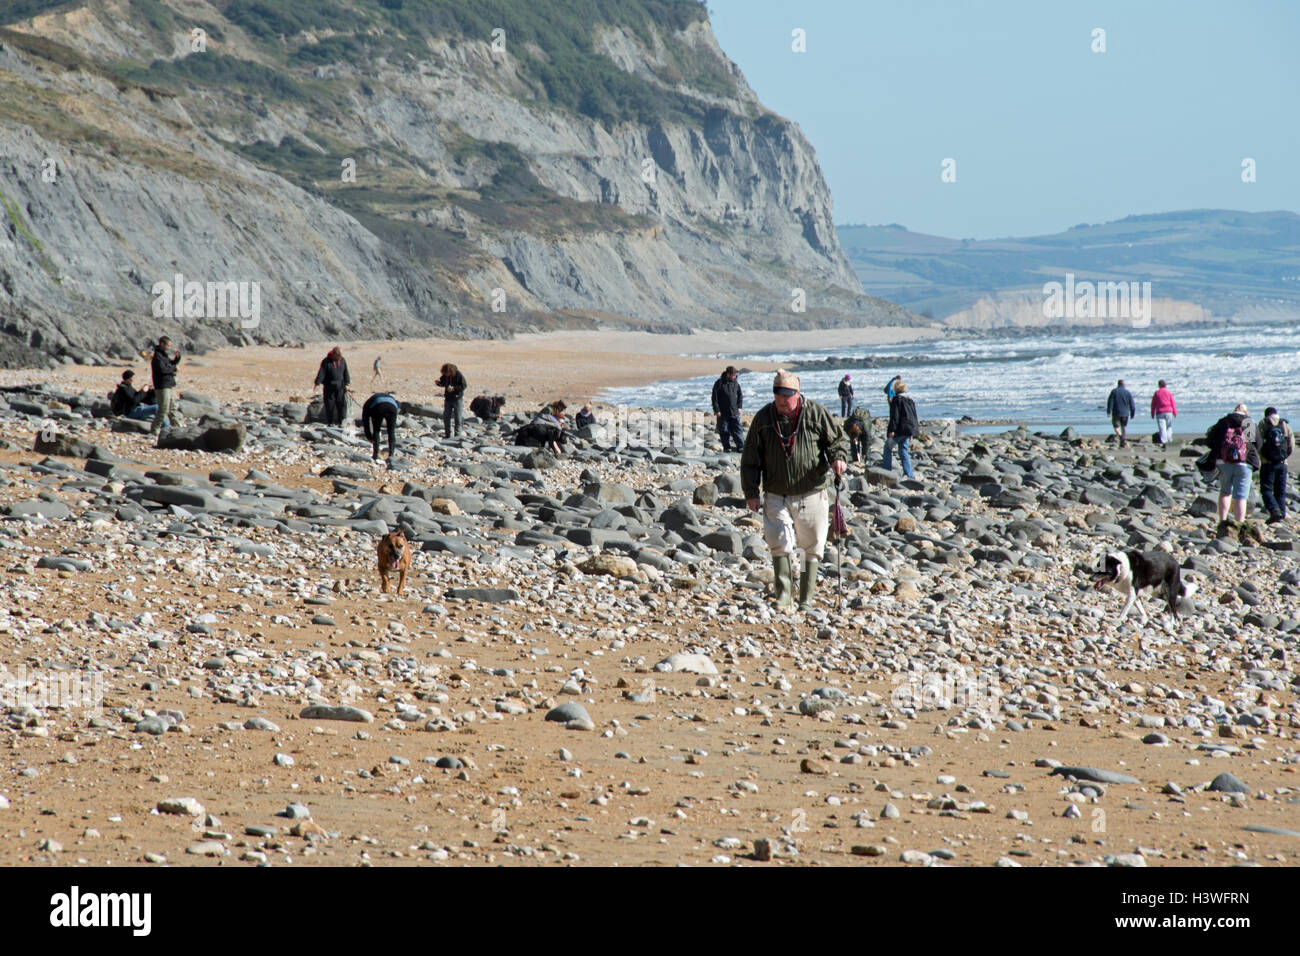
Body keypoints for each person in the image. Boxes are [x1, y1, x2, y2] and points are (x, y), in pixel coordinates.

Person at [740, 370, 848, 611]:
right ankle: (783, 597)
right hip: (776, 493)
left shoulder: (815, 413)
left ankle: (806, 600)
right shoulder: (764, 418)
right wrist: (751, 493)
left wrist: (838, 459)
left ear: (797, 394)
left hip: (811, 491)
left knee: (813, 545)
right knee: (779, 541)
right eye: (777, 396)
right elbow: (750, 457)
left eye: (785, 397)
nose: (780, 401)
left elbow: (837, 442)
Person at [1205, 403, 1259, 534]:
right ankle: (1239, 524)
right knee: (1241, 496)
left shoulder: (1224, 422)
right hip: (1244, 463)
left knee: (1225, 491)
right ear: (1246, 412)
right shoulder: (1248, 422)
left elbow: (1210, 441)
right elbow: (1257, 444)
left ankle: (1222, 521)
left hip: (1223, 462)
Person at [1257, 406, 1293, 524]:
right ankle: (1281, 514)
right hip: (1282, 463)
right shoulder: (1284, 424)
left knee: (1266, 489)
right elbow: (1291, 444)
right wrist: (1284, 456)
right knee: (1280, 491)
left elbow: (1258, 443)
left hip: (1267, 463)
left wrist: (1262, 457)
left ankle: (1274, 510)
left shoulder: (1263, 424)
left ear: (1266, 415)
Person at [884, 381, 919, 478]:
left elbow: (895, 416)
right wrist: (913, 432)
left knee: (888, 447)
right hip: (909, 428)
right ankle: (909, 474)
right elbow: (914, 416)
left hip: (900, 429)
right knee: (903, 450)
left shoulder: (897, 400)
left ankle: (886, 471)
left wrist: (891, 430)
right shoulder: (910, 400)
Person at [149, 336, 182, 437]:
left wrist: (177, 358)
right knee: (163, 409)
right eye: (168, 345)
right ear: (162, 344)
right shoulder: (157, 356)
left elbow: (170, 364)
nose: (169, 347)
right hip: (162, 385)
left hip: (168, 384)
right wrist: (174, 368)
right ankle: (154, 430)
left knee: (172, 409)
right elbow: (163, 369)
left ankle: (177, 429)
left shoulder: (163, 355)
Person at [711, 365, 744, 452]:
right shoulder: (719, 383)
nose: (735, 377)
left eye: (735, 375)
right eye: (733, 375)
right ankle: (727, 448)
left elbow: (740, 395)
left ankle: (741, 447)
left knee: (737, 429)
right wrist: (717, 410)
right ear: (728, 374)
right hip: (722, 412)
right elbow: (714, 398)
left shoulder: (736, 382)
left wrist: (739, 407)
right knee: (724, 430)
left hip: (734, 411)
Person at [314, 347, 350, 426]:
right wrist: (317, 383)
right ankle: (331, 423)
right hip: (329, 387)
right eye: (339, 356)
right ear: (334, 354)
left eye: (341, 356)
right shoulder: (326, 361)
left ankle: (342, 422)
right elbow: (321, 373)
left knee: (341, 405)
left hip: (340, 387)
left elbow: (346, 372)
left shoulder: (342, 360)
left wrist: (347, 383)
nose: (340, 357)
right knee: (329, 405)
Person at [435, 363, 467, 438]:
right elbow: (443, 383)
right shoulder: (445, 376)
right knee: (446, 417)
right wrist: (439, 383)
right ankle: (447, 435)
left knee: (458, 417)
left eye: (446, 373)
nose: (445, 375)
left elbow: (464, 385)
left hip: (457, 399)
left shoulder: (458, 375)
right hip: (448, 398)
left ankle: (457, 435)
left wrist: (454, 389)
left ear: (450, 371)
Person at [1107, 379, 1136, 448]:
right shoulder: (1127, 392)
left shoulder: (1114, 391)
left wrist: (1108, 411)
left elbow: (1110, 402)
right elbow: (1132, 404)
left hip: (1116, 412)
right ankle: (1123, 438)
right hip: (1125, 413)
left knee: (1116, 427)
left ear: (1118, 384)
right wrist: (1132, 413)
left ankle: (1121, 437)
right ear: (1124, 385)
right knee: (1123, 427)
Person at [1151, 380, 1177, 446]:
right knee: (1169, 426)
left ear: (1159, 385)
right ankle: (1169, 439)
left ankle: (1164, 441)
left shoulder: (1157, 393)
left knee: (1162, 427)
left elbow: (1153, 404)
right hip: (1168, 411)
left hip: (1160, 412)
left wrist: (1152, 413)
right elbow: (1173, 403)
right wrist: (1174, 412)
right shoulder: (1168, 392)